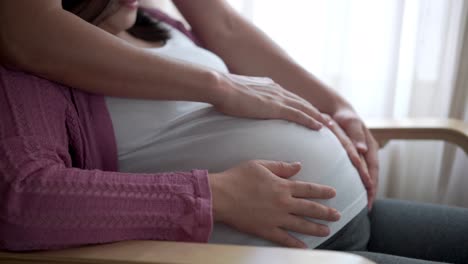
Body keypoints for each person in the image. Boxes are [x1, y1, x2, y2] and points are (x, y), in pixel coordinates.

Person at [0, 1, 467, 263]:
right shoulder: (36, 73)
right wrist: (214, 195)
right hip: (297, 253)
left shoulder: (157, 22)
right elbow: (23, 200)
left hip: (353, 218)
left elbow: (225, 27)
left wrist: (336, 111)